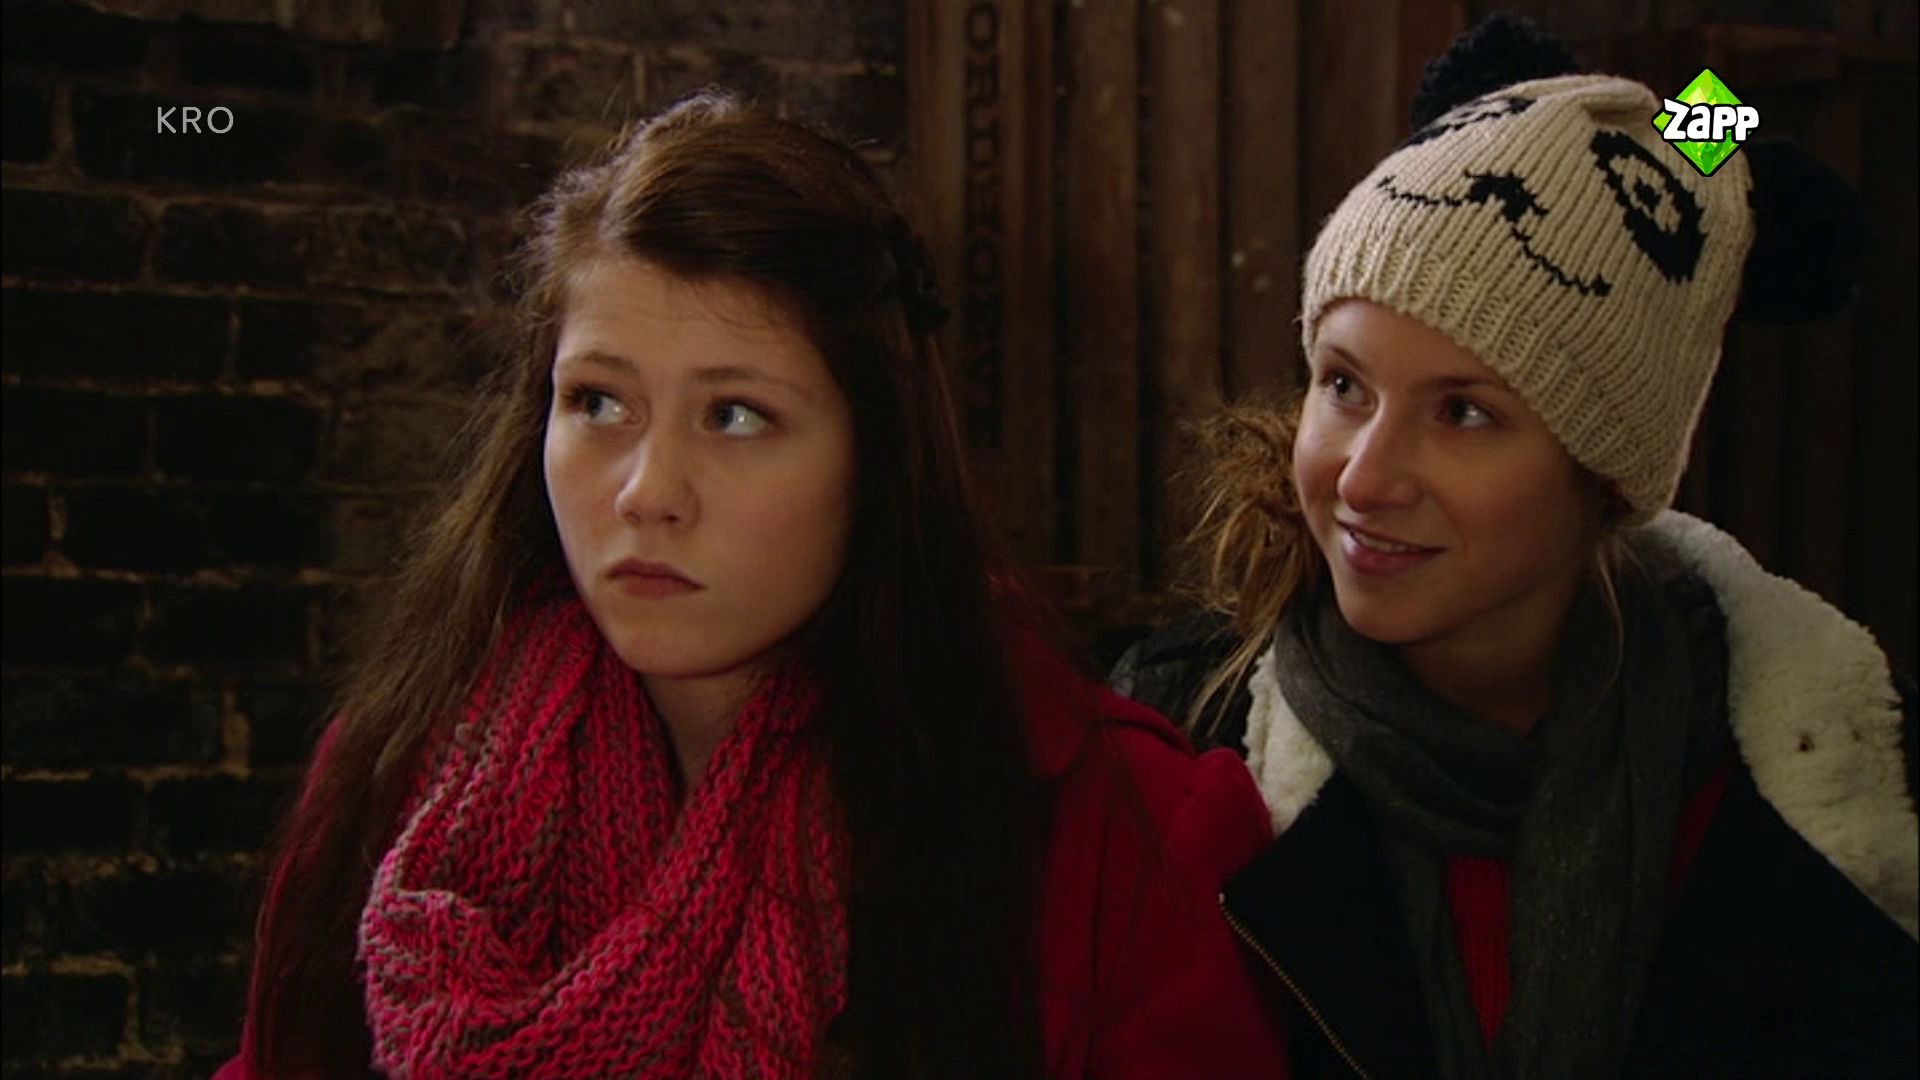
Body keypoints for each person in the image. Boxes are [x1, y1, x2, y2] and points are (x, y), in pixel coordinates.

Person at [217, 92, 1284, 1080]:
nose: (646, 493)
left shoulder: (1114, 830)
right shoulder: (398, 773)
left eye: (735, 416)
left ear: (875, 459)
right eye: (597, 403)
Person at [1112, 16, 1918, 1080]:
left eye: (1465, 413)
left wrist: (1701, 116)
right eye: (1343, 384)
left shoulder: (1816, 783)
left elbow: (1714, 114)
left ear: (1607, 472)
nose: (1363, 479)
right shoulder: (1171, 738)